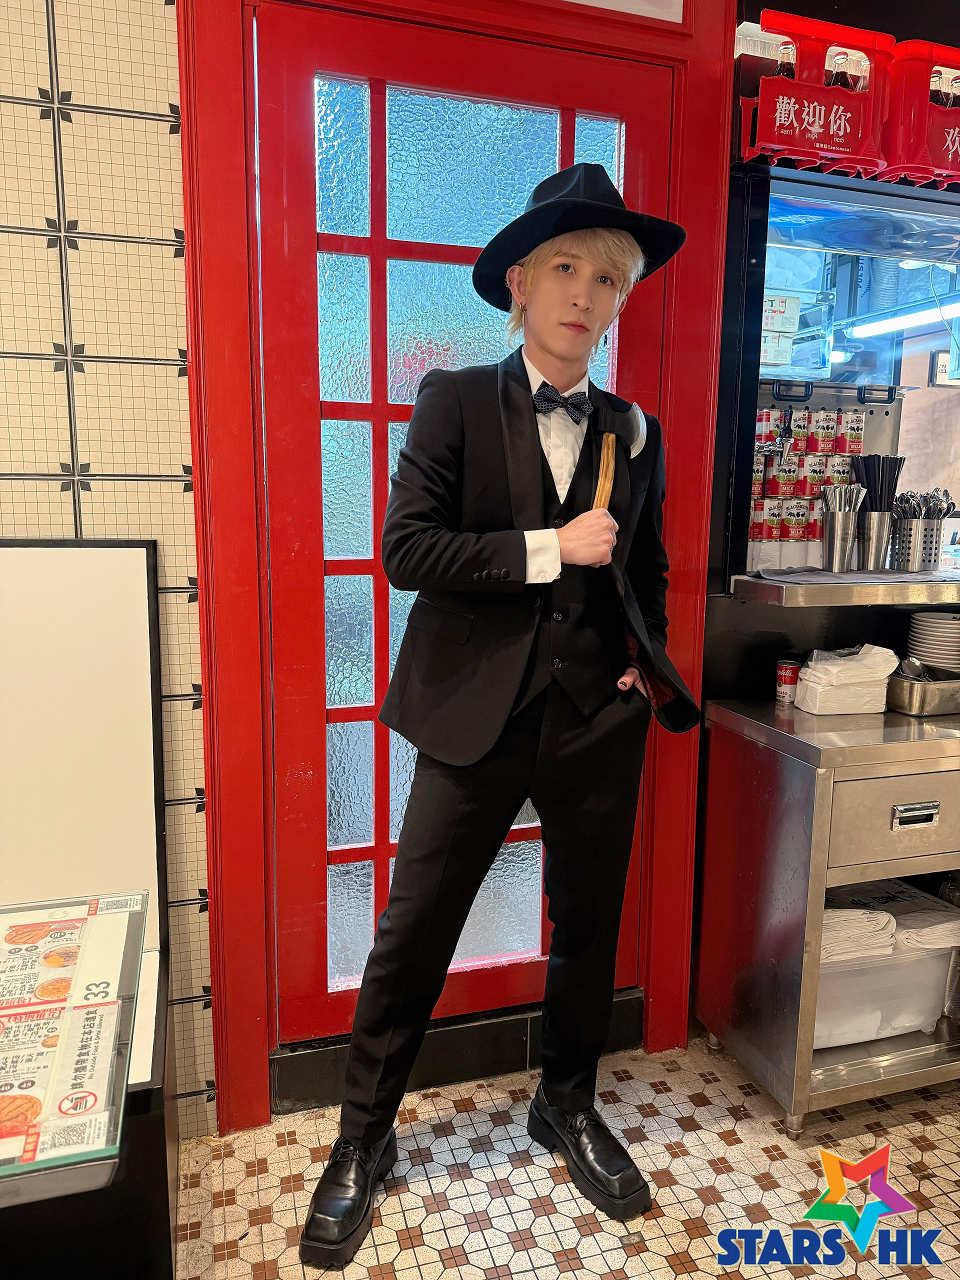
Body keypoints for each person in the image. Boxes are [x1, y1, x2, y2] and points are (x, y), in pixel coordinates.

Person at [300, 162, 700, 1270]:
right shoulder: (457, 400)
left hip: (594, 720)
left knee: (587, 927)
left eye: (607, 279)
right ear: (519, 283)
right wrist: (547, 548)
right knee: (413, 928)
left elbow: (650, 569)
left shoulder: (634, 430)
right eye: (565, 268)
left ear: (620, 300)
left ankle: (565, 1103)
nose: (585, 294)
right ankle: (363, 1137)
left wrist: (640, 669)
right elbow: (405, 551)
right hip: (472, 715)